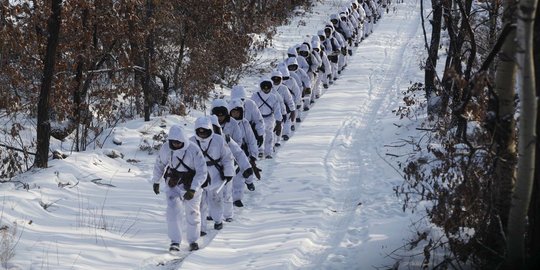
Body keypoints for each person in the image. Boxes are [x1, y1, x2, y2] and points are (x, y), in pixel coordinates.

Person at [151, 125, 208, 252]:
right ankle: (175, 241)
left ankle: (193, 240)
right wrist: (156, 180)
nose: (176, 144)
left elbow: (202, 172)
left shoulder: (194, 150)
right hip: (174, 183)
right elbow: (160, 164)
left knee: (193, 213)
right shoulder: (166, 148)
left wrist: (193, 189)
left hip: (191, 184)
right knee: (172, 211)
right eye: (173, 142)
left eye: (178, 142)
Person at [190, 116, 235, 233]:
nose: (203, 134)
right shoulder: (191, 142)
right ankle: (201, 227)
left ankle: (218, 220)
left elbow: (227, 157)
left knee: (215, 200)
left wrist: (228, 172)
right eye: (200, 131)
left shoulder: (219, 140)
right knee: (200, 203)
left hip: (215, 175)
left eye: (205, 131)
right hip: (198, 176)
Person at [227, 99, 262, 207]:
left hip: (241, 152)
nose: (235, 114)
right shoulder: (225, 124)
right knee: (236, 176)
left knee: (246, 172)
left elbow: (250, 139)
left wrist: (253, 155)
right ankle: (236, 197)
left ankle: (249, 181)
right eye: (233, 112)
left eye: (238, 112)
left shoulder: (244, 123)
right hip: (227, 153)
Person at [251, 78, 283, 159]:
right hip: (258, 119)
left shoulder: (273, 97)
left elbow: (277, 110)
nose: (266, 89)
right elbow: (250, 108)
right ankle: (260, 150)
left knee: (269, 135)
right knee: (259, 134)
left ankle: (268, 152)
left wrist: (279, 122)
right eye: (264, 87)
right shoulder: (255, 96)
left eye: (268, 87)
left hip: (269, 118)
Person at [230, 85, 265, 154]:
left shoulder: (251, 104)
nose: (240, 102)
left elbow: (258, 119)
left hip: (249, 128)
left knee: (252, 143)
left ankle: (257, 151)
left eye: (242, 99)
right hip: (234, 128)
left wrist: (260, 134)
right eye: (237, 100)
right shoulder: (229, 106)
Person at [270, 70, 295, 143]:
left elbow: (289, 99)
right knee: (274, 126)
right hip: (272, 109)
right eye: (274, 79)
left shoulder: (284, 88)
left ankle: (285, 134)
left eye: (278, 79)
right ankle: (275, 141)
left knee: (286, 121)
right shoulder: (269, 88)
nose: (276, 80)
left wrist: (292, 110)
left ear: (281, 79)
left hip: (284, 107)